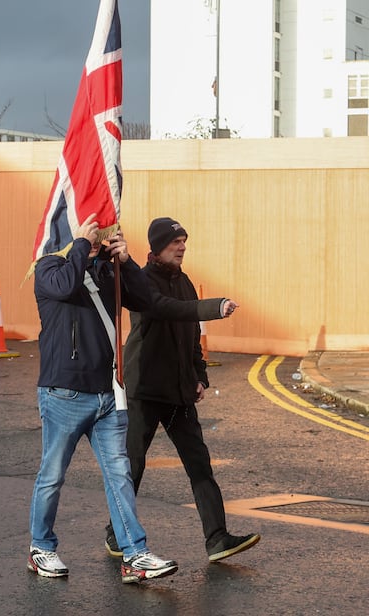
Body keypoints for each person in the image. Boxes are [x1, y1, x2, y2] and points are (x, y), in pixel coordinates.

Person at [28, 214, 179, 584]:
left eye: (101, 232)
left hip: (107, 396)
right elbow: (64, 287)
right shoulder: (49, 267)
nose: (98, 237)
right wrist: (80, 244)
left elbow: (144, 300)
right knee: (52, 476)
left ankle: (135, 555)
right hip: (64, 393)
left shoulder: (106, 271)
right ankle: (40, 547)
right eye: (92, 232)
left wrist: (125, 264)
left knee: (120, 476)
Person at [105, 217, 260, 563]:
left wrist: (199, 376)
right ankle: (117, 534)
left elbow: (192, 333)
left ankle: (217, 539)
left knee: (199, 464)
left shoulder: (185, 282)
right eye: (175, 241)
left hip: (179, 394)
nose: (182, 247)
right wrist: (214, 307)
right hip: (144, 389)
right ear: (157, 247)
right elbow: (166, 309)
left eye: (184, 241)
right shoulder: (141, 281)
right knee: (133, 465)